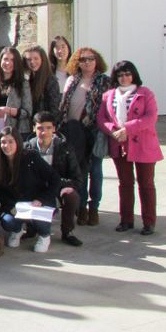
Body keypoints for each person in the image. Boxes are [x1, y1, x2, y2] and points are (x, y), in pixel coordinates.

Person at [97, 60, 163, 236]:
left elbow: (151, 117)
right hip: (119, 143)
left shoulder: (145, 93)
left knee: (146, 184)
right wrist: (114, 131)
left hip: (143, 144)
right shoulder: (108, 95)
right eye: (120, 75)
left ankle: (149, 222)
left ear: (134, 75)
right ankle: (126, 220)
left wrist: (128, 129)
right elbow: (102, 118)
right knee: (125, 184)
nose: (124, 78)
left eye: (127, 74)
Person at [59, 47, 110, 226]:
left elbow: (109, 108)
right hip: (74, 132)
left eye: (90, 59)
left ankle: (94, 207)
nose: (86, 62)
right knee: (80, 171)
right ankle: (81, 208)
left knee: (95, 170)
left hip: (95, 131)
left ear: (97, 61)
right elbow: (63, 106)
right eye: (82, 59)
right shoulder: (72, 80)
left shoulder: (104, 81)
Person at [0, 127, 60, 253]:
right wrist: (11, 205)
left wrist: (41, 199)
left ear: (18, 141)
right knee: (8, 222)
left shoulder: (31, 157)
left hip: (37, 202)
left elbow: (54, 179)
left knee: (40, 219)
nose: (7, 145)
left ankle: (44, 236)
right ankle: (17, 231)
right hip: (15, 205)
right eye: (3, 142)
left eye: (11, 141)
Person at [24, 112, 84, 246]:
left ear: (54, 129)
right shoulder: (27, 148)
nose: (43, 132)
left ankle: (67, 232)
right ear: (34, 128)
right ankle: (31, 228)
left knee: (71, 195)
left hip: (58, 186)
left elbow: (77, 178)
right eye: (40, 128)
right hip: (35, 189)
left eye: (48, 128)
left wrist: (61, 185)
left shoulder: (65, 147)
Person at [0, 47, 33, 142]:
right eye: (5, 59)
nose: (8, 63)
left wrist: (7, 111)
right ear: (0, 60)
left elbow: (27, 112)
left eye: (12, 60)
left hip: (16, 130)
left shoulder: (23, 83)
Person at [23, 45, 61, 117]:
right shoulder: (26, 80)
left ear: (42, 59)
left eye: (36, 58)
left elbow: (54, 109)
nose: (32, 62)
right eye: (29, 59)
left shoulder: (50, 80)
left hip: (43, 124)